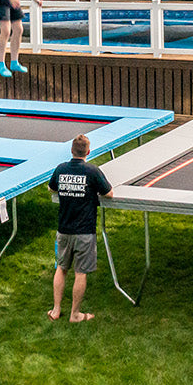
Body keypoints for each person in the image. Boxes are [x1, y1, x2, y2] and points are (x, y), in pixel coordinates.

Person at [47, 133, 112, 322]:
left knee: (61, 268)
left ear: (71, 151)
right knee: (80, 272)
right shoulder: (92, 171)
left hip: (64, 229)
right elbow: (109, 193)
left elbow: (51, 188)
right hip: (84, 231)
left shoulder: (61, 169)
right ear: (88, 152)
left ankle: (56, 310)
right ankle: (75, 314)